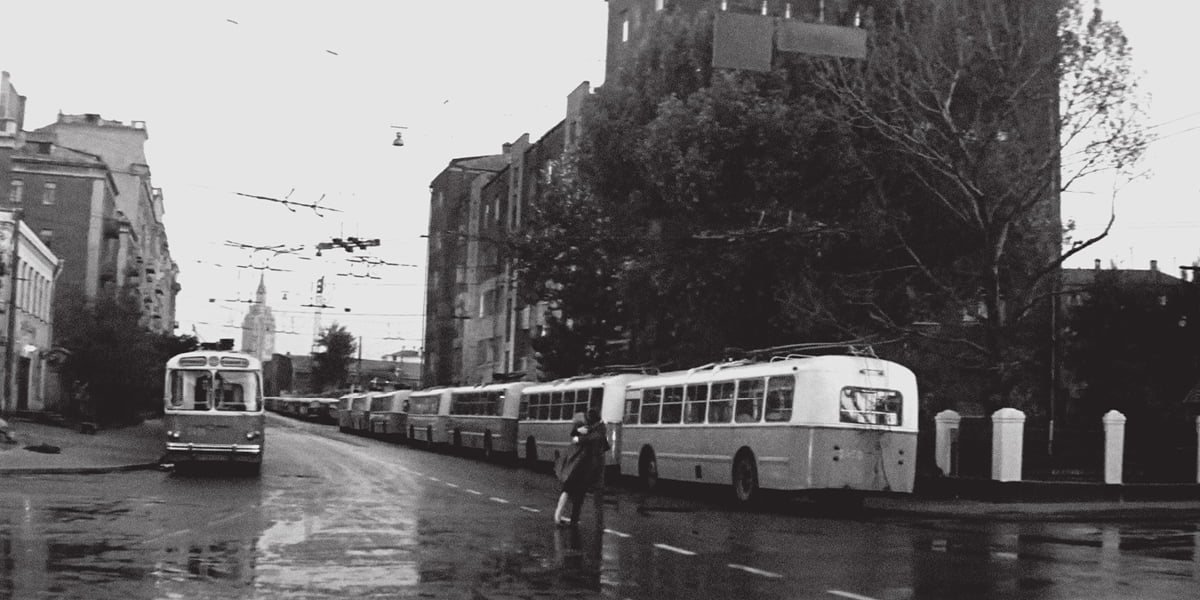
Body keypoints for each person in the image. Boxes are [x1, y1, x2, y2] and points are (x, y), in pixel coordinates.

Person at [553, 409, 610, 527]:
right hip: (585, 465)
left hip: (588, 465)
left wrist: (579, 438)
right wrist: (578, 434)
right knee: (581, 492)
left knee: (575, 490)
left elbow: (587, 438)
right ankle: (572, 519)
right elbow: (576, 434)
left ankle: (564, 517)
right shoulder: (594, 428)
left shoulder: (595, 430)